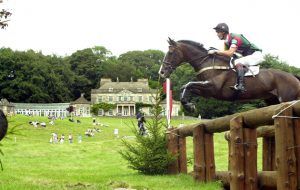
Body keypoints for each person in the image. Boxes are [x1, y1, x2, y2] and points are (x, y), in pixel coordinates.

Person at [208, 23, 264, 92]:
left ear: (223, 32)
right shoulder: (226, 42)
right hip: (248, 56)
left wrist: (216, 51)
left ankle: (241, 85)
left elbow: (230, 53)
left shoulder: (235, 37)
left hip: (256, 55)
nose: (217, 34)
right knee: (232, 62)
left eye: (217, 32)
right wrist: (214, 53)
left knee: (237, 62)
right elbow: (226, 55)